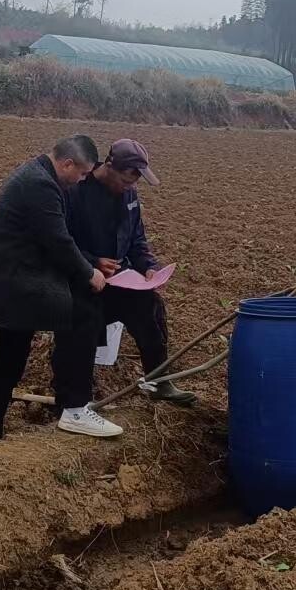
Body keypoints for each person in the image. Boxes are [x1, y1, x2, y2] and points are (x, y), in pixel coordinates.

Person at [0, 136, 125, 440]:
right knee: (17, 357)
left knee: (10, 362)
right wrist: (90, 273)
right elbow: (58, 241)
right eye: (83, 174)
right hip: (12, 286)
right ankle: (70, 409)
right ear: (67, 164)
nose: (83, 180)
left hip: (14, 280)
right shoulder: (41, 186)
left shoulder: (38, 173)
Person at [65, 137, 196, 405]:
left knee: (151, 308)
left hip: (120, 280)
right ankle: (76, 395)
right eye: (126, 180)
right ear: (109, 166)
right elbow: (61, 241)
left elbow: (136, 240)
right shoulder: (77, 191)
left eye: (135, 183)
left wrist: (149, 267)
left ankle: (158, 381)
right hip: (81, 281)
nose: (131, 187)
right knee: (84, 327)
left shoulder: (129, 196)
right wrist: (92, 262)